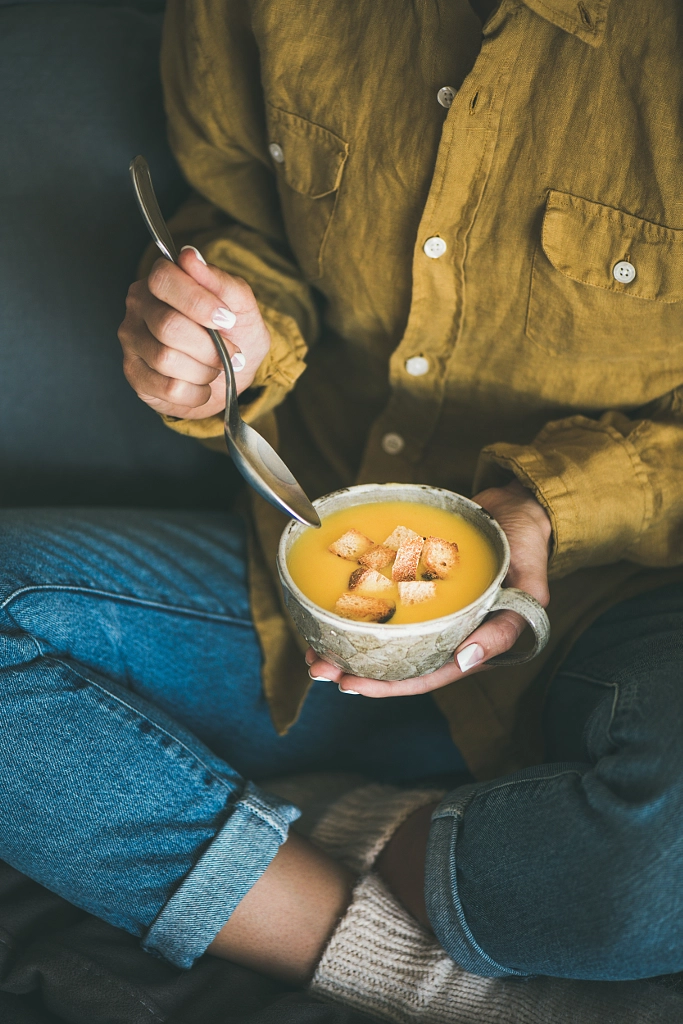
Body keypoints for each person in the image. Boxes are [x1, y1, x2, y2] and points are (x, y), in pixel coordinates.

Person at [1, 1, 683, 1020]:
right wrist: (228, 338)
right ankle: (404, 937)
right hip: (300, 605)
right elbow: (235, 227)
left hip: (619, 622)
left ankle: (334, 834)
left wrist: (551, 508)